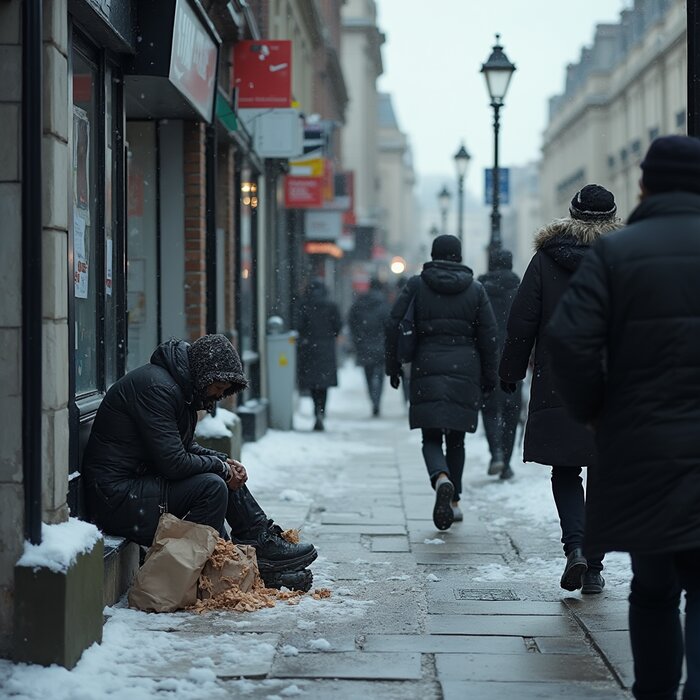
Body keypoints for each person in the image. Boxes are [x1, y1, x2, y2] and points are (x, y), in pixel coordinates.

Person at [547, 135, 700, 700]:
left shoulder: (617, 254)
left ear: (644, 185)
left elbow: (568, 341)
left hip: (643, 445)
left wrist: (595, 410)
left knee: (654, 586)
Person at [82, 334, 317, 591]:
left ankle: (257, 544)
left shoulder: (178, 388)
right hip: (116, 498)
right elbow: (173, 462)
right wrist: (220, 468)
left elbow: (183, 448)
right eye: (217, 388)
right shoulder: (158, 389)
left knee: (220, 476)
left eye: (224, 391)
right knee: (212, 486)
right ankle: (236, 571)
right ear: (204, 374)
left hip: (137, 485)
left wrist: (223, 460)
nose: (218, 396)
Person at [499, 184, 622, 594]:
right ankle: (594, 563)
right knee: (604, 470)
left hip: (561, 378)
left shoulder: (546, 260)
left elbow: (522, 321)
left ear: (571, 215)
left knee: (566, 469)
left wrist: (510, 371)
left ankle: (576, 549)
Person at [385, 234, 498, 530]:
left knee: (431, 436)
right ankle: (454, 500)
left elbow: (394, 324)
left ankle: (441, 478)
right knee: (457, 439)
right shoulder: (476, 290)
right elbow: (488, 336)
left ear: (433, 255)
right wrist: (490, 376)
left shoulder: (417, 285)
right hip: (465, 368)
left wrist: (393, 365)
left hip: (427, 365)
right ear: (459, 256)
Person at [478, 248, 522, 480]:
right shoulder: (520, 289)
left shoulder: (480, 289)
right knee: (511, 410)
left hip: (487, 356)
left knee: (490, 408)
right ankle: (506, 461)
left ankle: (495, 452)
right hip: (513, 356)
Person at [297, 279, 342, 431]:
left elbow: (299, 326)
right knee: (324, 385)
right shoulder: (331, 306)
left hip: (309, 348)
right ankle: (322, 411)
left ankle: (316, 410)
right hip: (326, 348)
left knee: (312, 384)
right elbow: (338, 326)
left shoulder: (304, 306)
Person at [348, 278, 391, 416]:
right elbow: (390, 325)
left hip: (364, 345)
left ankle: (372, 398)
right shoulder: (385, 305)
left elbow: (352, 323)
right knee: (380, 375)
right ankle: (377, 399)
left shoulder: (359, 303)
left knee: (368, 374)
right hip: (381, 345)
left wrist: (357, 339)